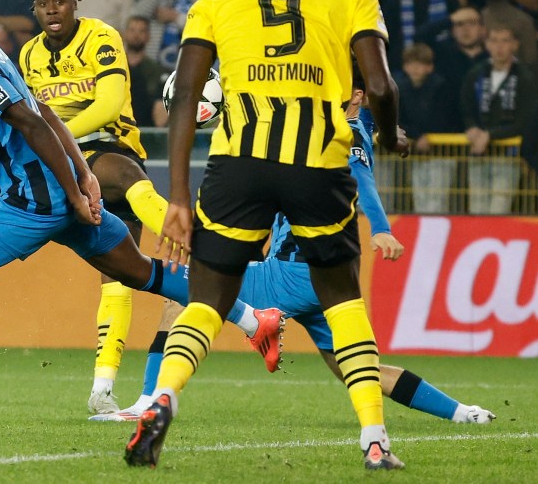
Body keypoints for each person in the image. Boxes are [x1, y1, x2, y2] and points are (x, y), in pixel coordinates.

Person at [0, 0, 263, 430]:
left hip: (34, 200)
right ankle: (253, 319)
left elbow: (33, 125)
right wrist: (84, 180)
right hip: (56, 192)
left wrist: (77, 190)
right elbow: (45, 111)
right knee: (141, 272)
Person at [124, 0, 409, 471]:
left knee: (206, 300)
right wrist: (391, 133)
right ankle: (375, 439)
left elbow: (184, 93)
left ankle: (163, 397)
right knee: (342, 299)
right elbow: (379, 87)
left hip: (237, 165)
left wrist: (178, 194)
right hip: (317, 164)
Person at [109, 79, 495, 425]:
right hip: (320, 279)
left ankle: (148, 400)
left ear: (356, 97)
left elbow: (364, 179)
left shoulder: (346, 133)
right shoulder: (324, 129)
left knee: (182, 290)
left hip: (293, 275)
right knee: (360, 371)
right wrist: (385, 130)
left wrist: (380, 228)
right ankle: (465, 413)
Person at [461, 25, 538, 214]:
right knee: (476, 209)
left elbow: (526, 120)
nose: (499, 47)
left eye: (505, 41)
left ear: (515, 45)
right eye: (494, 41)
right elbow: (465, 108)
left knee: (498, 208)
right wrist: (471, 128)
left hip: (508, 155)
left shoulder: (526, 78)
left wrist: (491, 135)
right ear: (486, 44)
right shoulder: (476, 73)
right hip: (478, 153)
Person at [396, 44, 459, 214]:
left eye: (421, 64)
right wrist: (417, 137)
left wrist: (426, 136)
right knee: (420, 200)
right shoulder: (399, 89)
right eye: (411, 64)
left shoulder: (442, 87)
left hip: (441, 154)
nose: (415, 68)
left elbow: (443, 120)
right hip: (417, 155)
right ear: (404, 66)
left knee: (437, 202)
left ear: (430, 67)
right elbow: (399, 120)